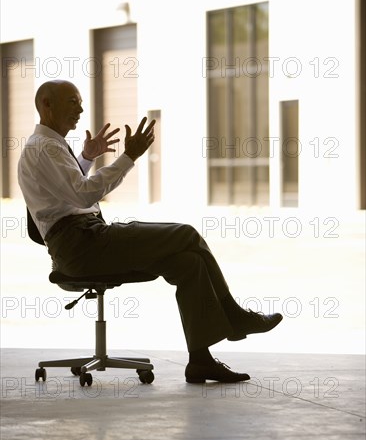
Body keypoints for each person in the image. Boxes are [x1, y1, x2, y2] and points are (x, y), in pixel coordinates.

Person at [18, 79, 283, 384]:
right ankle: (235, 317)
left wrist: (87, 158)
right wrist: (129, 157)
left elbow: (63, 189)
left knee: (188, 264)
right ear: (46, 105)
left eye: (80, 102)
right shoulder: (44, 147)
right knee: (187, 234)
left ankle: (201, 361)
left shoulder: (46, 146)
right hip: (82, 244)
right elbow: (82, 195)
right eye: (72, 102)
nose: (80, 109)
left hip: (83, 242)